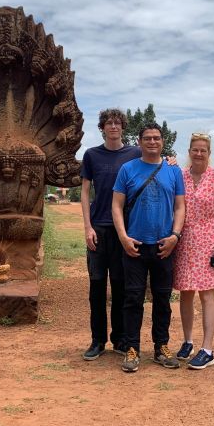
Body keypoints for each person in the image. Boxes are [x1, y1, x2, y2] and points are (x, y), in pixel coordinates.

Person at [112, 123, 186, 373]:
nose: (152, 142)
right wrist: (123, 237)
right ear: (140, 141)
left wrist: (175, 235)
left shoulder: (173, 171)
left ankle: (161, 346)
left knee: (163, 299)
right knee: (132, 298)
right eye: (147, 138)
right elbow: (117, 206)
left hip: (164, 245)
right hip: (135, 244)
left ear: (162, 141)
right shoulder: (127, 169)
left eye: (156, 138)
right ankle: (132, 348)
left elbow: (180, 206)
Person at [80, 109, 140, 360]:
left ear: (123, 127)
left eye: (117, 122)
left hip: (123, 230)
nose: (113, 126)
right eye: (108, 123)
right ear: (102, 127)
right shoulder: (92, 155)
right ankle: (97, 340)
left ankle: (119, 338)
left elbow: (155, 164)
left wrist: (170, 160)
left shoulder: (134, 154)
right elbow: (85, 193)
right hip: (99, 228)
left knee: (120, 286)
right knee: (96, 287)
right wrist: (87, 227)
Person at [173, 133, 214, 370]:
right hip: (184, 240)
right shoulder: (180, 176)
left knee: (207, 294)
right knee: (185, 292)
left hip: (208, 241)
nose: (198, 154)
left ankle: (207, 348)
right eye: (195, 149)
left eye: (203, 150)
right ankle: (188, 341)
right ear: (189, 151)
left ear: (208, 152)